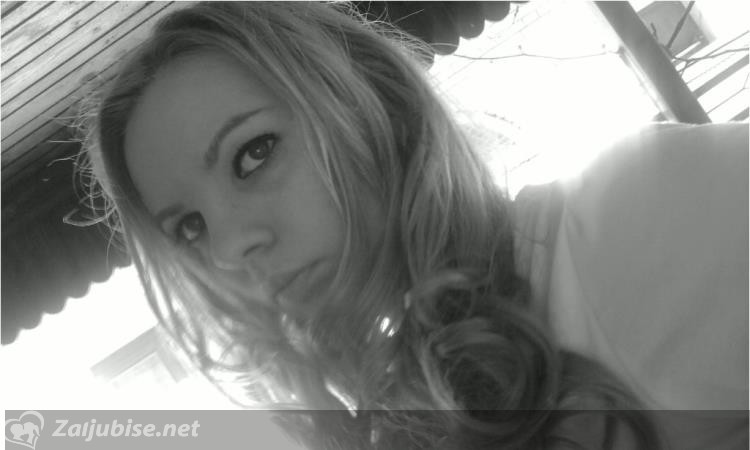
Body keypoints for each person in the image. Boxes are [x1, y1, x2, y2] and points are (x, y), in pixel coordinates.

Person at [78, 2, 746, 449]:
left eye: (253, 155)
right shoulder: (394, 410)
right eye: (189, 228)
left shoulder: (615, 228)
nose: (229, 248)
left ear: (369, 104)